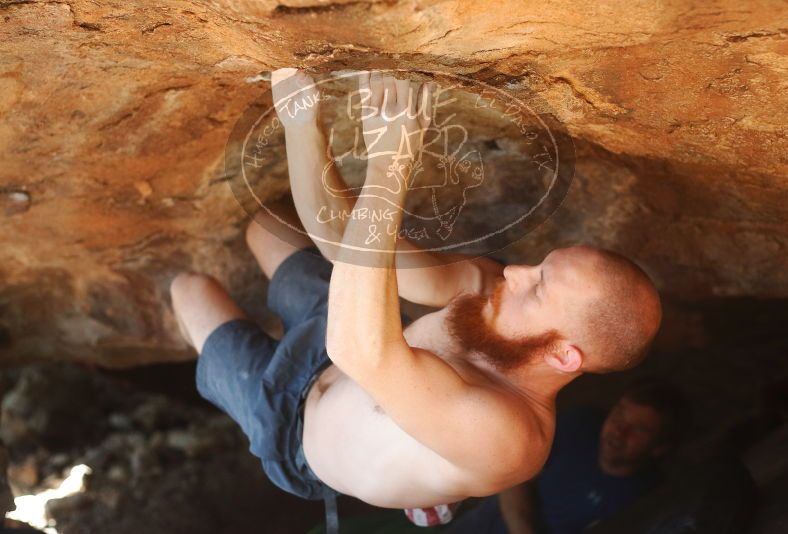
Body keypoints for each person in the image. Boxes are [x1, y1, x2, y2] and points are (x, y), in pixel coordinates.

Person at [169, 70, 663, 533]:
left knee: (190, 290)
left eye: (537, 287)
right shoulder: (490, 294)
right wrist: (302, 121)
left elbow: (361, 353)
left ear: (563, 355)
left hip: (295, 431)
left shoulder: (509, 440)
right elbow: (341, 240)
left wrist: (392, 164)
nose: (514, 272)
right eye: (538, 265)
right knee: (269, 227)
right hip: (336, 338)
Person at [447, 379, 688, 534]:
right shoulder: (581, 424)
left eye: (639, 429)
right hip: (495, 518)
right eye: (620, 414)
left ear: (659, 448)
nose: (619, 429)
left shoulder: (645, 496)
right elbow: (515, 469)